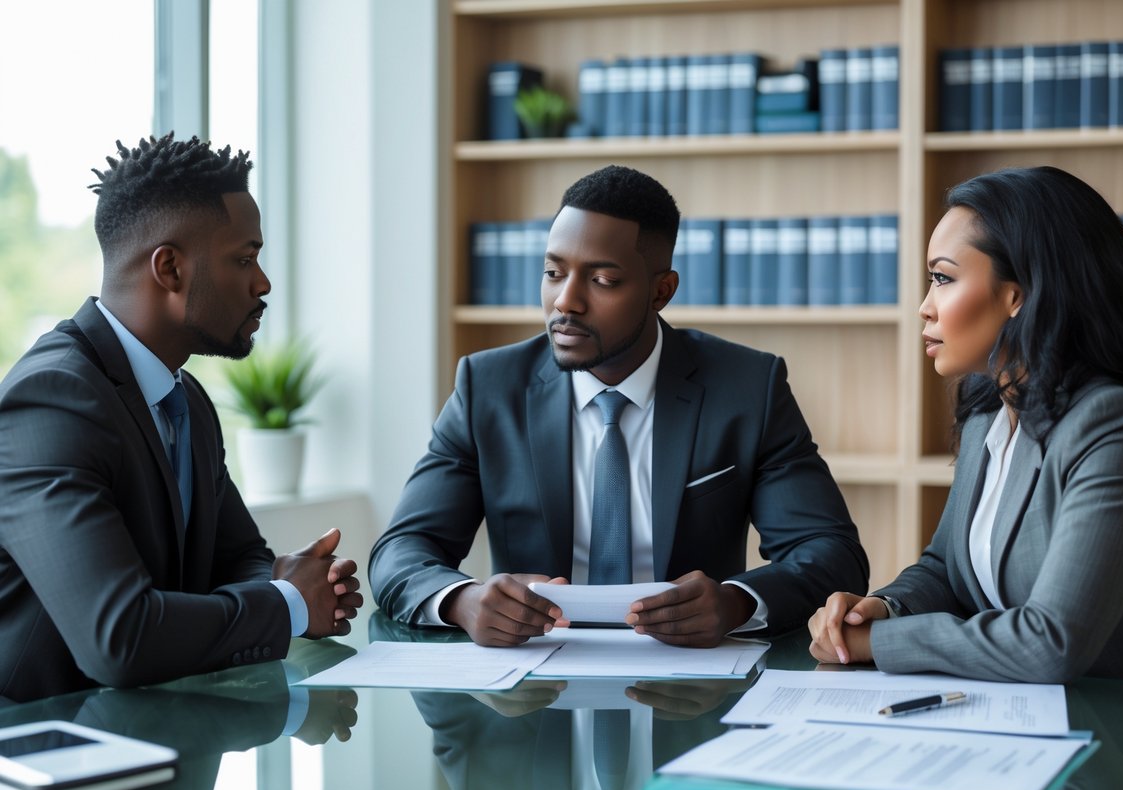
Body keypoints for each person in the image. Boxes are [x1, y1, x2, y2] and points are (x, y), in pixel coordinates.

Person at [370, 164, 867, 648]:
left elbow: (832, 553)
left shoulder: (746, 388)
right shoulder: (488, 387)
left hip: (689, 681)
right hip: (533, 679)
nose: (565, 302)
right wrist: (463, 600)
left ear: (661, 291)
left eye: (603, 280)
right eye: (552, 273)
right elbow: (400, 550)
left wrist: (737, 602)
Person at [808, 165, 1123, 684]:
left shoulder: (1116, 426)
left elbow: (1052, 643)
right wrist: (877, 611)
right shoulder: (989, 414)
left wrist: (880, 643)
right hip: (1025, 711)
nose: (924, 307)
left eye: (943, 278)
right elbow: (946, 568)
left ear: (1018, 295)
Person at [0, 134, 363, 703]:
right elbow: (118, 638)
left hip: (158, 733)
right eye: (244, 259)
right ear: (169, 268)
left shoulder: (185, 397)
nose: (263, 282)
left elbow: (237, 557)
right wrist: (287, 604)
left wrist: (290, 585)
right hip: (43, 743)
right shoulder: (52, 401)